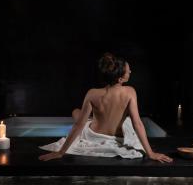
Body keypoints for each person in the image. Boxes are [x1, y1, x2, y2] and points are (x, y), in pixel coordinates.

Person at [38, 53, 173, 163]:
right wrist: (150, 153)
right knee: (126, 121)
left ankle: (93, 119)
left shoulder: (92, 93)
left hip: (93, 134)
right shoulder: (130, 92)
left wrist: (61, 152)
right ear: (120, 79)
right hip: (116, 136)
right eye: (128, 70)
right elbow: (137, 123)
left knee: (76, 112)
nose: (131, 71)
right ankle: (93, 119)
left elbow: (79, 125)